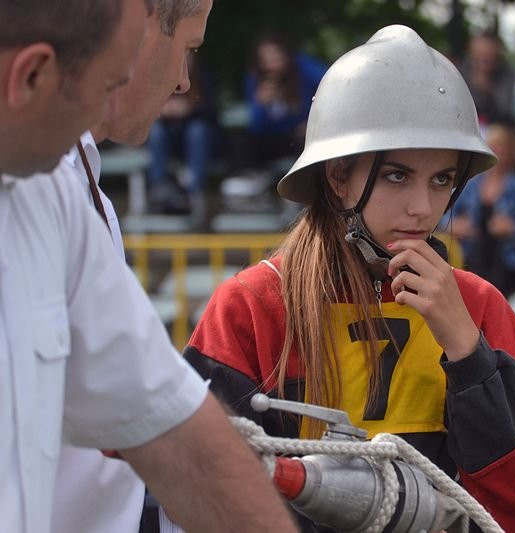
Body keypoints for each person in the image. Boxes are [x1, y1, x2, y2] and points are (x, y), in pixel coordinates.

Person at [184, 25, 515, 532]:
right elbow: (200, 494)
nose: (423, 208)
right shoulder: (250, 306)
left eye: (442, 179)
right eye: (397, 175)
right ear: (337, 176)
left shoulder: (478, 306)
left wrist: (467, 350)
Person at [0, 1, 296, 532]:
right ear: (31, 76)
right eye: (108, 79)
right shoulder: (48, 176)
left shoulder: (49, 189)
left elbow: (169, 424)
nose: (94, 128)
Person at [449, 118, 515, 296]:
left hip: (509, 262)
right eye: (494, 146)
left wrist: (514, 227)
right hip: (470, 256)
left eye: (503, 147)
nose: (498, 152)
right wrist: (456, 225)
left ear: (512, 151)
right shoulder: (467, 186)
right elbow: (444, 217)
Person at [147, 52, 217, 216]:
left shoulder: (205, 76)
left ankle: (194, 191)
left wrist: (191, 108)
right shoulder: (159, 76)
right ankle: (159, 187)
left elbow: (213, 113)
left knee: (197, 130)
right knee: (156, 131)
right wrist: (161, 110)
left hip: (200, 139)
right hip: (169, 136)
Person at [242, 34, 326, 170]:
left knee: (304, 141)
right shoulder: (255, 79)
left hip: (301, 134)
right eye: (265, 59)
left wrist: (312, 123)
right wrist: (261, 105)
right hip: (273, 137)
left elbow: (328, 84)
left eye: (275, 55)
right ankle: (252, 178)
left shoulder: (304, 70)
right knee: (243, 142)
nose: (272, 63)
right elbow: (256, 127)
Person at [459, 31, 515, 127]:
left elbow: (506, 110)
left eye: (488, 54)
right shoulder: (460, 73)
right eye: (480, 54)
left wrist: (487, 89)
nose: (484, 59)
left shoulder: (508, 76)